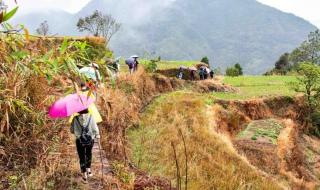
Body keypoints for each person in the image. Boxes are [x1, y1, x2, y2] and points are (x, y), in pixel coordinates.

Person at [70, 108, 100, 184]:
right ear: (87, 109)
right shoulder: (91, 117)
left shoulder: (75, 118)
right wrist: (97, 136)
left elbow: (72, 130)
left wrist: (76, 125)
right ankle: (89, 170)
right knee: (89, 153)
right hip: (90, 140)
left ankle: (84, 174)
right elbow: (95, 129)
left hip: (79, 141)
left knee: (81, 156)